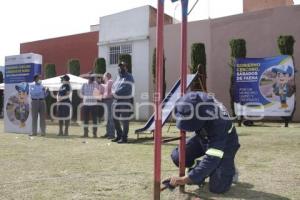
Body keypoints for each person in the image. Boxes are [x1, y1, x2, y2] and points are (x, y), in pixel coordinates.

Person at [166, 91, 240, 194]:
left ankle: (228, 168)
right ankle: (206, 168)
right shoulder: (192, 101)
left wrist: (188, 178)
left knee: (218, 187)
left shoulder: (219, 121)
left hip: (225, 143)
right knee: (178, 156)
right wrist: (195, 174)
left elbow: (212, 157)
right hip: (203, 136)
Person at [111, 61, 134, 143]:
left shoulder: (129, 76)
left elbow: (126, 86)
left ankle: (124, 138)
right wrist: (113, 92)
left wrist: (115, 93)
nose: (121, 68)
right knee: (114, 118)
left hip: (125, 100)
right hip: (116, 100)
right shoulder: (118, 77)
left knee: (125, 120)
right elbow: (113, 86)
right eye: (120, 67)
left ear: (126, 67)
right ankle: (119, 135)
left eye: (123, 66)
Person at [101, 72, 115, 139]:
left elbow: (108, 92)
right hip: (107, 101)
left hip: (110, 100)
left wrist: (104, 96)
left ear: (107, 76)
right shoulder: (108, 83)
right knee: (108, 118)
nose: (103, 78)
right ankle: (108, 133)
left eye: (104, 77)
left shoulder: (110, 82)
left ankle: (112, 134)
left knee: (110, 118)